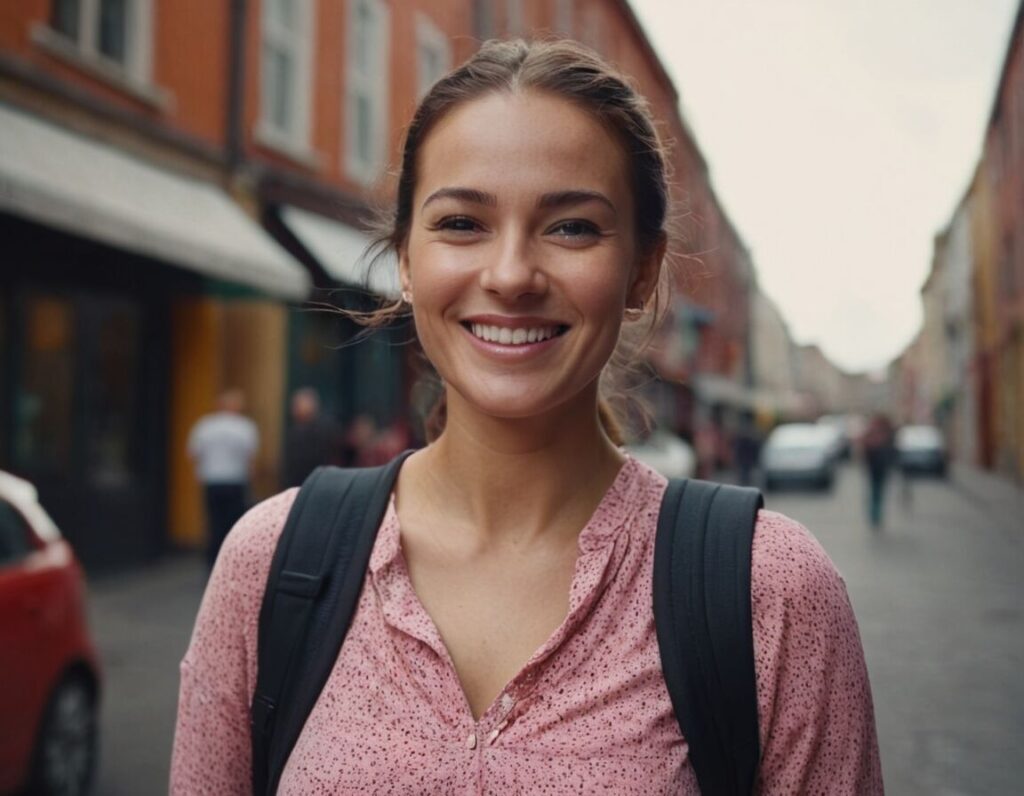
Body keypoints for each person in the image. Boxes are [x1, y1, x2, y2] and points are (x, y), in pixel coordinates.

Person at [172, 39, 883, 793]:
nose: (511, 275)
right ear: (407, 259)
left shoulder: (768, 590)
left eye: (572, 226)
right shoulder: (271, 564)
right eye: (461, 224)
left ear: (641, 270)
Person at [186, 389, 259, 569]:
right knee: (233, 525)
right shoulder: (245, 427)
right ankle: (229, 564)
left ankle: (212, 564)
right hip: (236, 481)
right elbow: (251, 458)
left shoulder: (205, 426)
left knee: (213, 523)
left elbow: (193, 453)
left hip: (212, 481)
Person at [282, 387, 344, 487]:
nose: (294, 409)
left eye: (298, 404)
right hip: (297, 484)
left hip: (321, 482)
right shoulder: (294, 430)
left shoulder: (326, 428)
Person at [862, 412, 897, 529]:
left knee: (876, 492)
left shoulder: (875, 433)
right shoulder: (885, 434)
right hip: (878, 468)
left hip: (877, 468)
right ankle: (875, 515)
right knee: (877, 492)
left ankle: (875, 515)